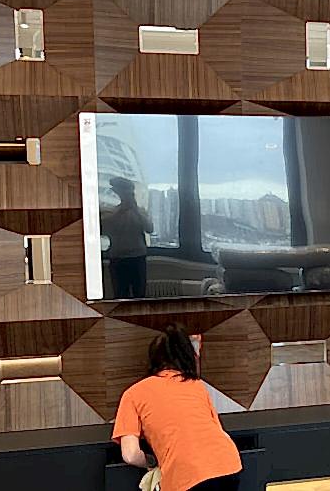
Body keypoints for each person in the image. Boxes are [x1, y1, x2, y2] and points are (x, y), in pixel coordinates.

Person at [112, 325, 242, 491]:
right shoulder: (196, 385)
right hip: (228, 464)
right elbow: (220, 432)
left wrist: (152, 461)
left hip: (186, 475)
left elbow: (130, 455)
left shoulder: (133, 394)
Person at [101, 177, 154, 299]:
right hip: (118, 259)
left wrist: (135, 210)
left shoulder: (140, 212)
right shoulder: (110, 212)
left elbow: (149, 228)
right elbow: (103, 228)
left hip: (137, 258)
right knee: (120, 296)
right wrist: (121, 211)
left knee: (139, 296)